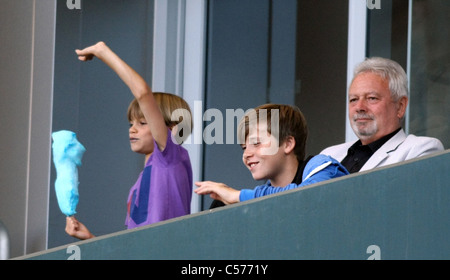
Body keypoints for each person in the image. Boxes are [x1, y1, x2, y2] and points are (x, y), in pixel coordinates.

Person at [65, 42, 193, 240]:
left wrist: (103, 52)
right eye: (131, 123)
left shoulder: (169, 157)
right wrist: (90, 238)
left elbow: (142, 92)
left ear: (172, 128)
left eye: (143, 122)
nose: (132, 129)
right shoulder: (141, 182)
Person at [195, 104, 349, 206]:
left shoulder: (322, 167)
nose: (247, 154)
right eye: (243, 147)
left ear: (288, 144)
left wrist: (238, 196)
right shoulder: (260, 198)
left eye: (256, 143)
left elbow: (306, 197)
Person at [321, 57, 444, 173]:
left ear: (400, 106)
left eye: (371, 98)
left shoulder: (420, 150)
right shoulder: (328, 155)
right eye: (353, 99)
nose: (359, 107)